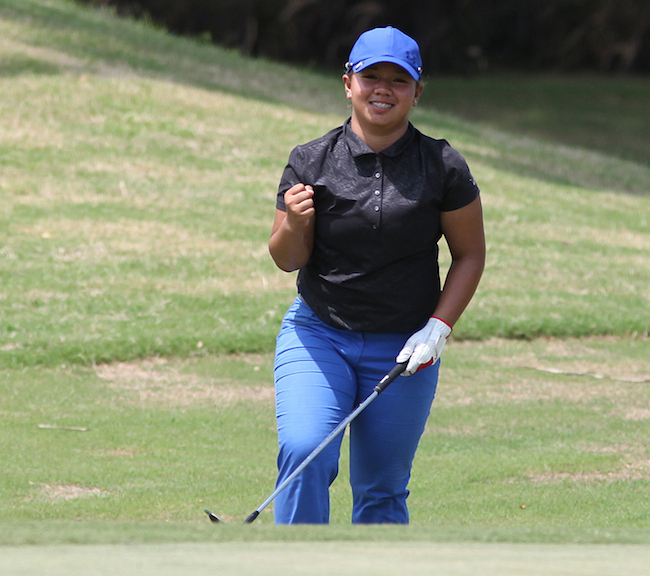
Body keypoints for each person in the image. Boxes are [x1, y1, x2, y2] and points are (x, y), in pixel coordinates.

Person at [268, 26, 485, 524]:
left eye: (398, 79)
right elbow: (285, 258)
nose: (383, 89)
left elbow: (469, 254)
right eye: (371, 77)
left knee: (382, 489)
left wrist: (439, 327)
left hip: (406, 347)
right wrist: (297, 222)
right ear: (348, 83)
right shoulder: (310, 160)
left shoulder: (443, 165)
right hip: (319, 333)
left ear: (417, 91)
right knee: (304, 452)